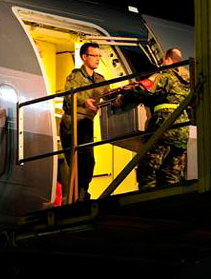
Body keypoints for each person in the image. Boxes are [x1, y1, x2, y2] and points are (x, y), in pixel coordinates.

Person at [115, 48, 190, 190]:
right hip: (182, 130)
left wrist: (123, 99)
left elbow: (143, 89)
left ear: (167, 60)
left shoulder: (164, 76)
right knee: (171, 174)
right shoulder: (186, 81)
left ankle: (146, 198)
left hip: (164, 126)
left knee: (147, 169)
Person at [60, 42, 109, 201]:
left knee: (89, 162)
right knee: (77, 162)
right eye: (94, 55)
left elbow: (109, 94)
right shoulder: (75, 77)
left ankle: (81, 193)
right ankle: (75, 196)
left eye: (99, 56)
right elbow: (69, 95)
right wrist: (83, 101)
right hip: (73, 123)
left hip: (87, 124)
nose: (97, 59)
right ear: (84, 57)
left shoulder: (100, 80)